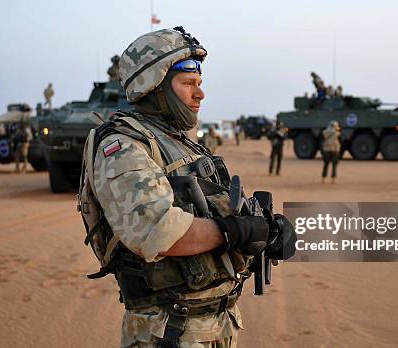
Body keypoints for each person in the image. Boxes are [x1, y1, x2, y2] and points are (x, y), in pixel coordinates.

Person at [78, 27, 294, 348]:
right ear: (154, 86)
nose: (200, 94)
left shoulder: (183, 144)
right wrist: (235, 231)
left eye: (200, 84)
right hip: (168, 331)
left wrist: (267, 232)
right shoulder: (124, 145)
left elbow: (223, 209)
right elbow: (156, 231)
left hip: (217, 324)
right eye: (188, 84)